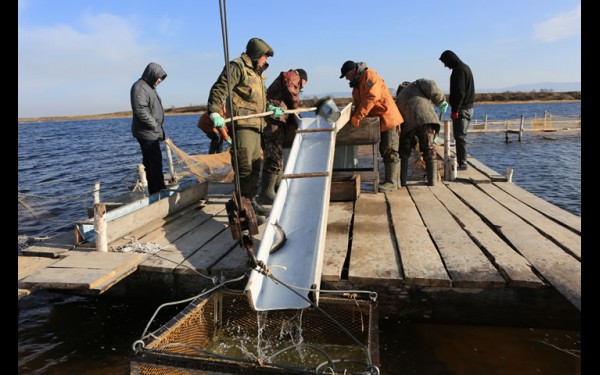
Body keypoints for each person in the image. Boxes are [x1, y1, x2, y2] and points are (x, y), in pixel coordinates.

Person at [207, 37, 284, 217]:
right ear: (257, 54)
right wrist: (215, 112)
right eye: (265, 57)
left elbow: (258, 99)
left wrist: (270, 108)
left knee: (255, 167)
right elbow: (219, 89)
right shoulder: (237, 67)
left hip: (257, 126)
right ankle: (242, 208)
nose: (266, 61)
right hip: (242, 125)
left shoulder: (257, 74)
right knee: (245, 168)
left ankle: (250, 202)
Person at [339, 60, 403, 192]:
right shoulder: (357, 84)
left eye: (346, 75)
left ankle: (392, 182)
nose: (346, 78)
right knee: (385, 150)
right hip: (381, 120)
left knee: (390, 150)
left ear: (352, 71)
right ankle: (395, 182)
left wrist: (358, 116)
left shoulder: (370, 76)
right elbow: (359, 103)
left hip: (388, 117)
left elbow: (371, 98)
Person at [256, 68, 308, 205]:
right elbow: (292, 93)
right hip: (273, 121)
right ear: (301, 78)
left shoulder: (289, 78)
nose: (300, 88)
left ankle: (276, 189)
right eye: (301, 85)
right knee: (273, 155)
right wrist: (296, 111)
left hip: (277, 120)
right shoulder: (292, 76)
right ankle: (266, 193)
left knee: (278, 156)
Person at [395, 79, 448, 186]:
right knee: (429, 150)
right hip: (425, 120)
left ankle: (402, 181)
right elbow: (431, 85)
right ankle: (432, 181)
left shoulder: (398, 98)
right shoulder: (418, 84)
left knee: (404, 153)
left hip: (408, 125)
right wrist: (441, 101)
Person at [130, 62, 168, 195]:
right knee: (153, 163)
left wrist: (159, 130)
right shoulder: (139, 87)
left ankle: (158, 188)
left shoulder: (150, 87)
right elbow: (141, 111)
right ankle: (157, 191)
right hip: (146, 133)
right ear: (151, 74)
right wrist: (156, 127)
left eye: (161, 78)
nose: (159, 80)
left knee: (155, 162)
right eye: (158, 77)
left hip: (153, 132)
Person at [439, 50, 475, 170]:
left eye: (445, 62)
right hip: (468, 107)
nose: (445, 66)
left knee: (460, 137)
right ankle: (462, 161)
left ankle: (463, 163)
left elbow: (460, 93)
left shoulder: (459, 70)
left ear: (450, 60)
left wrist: (455, 110)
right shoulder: (465, 68)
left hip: (462, 109)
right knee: (461, 136)